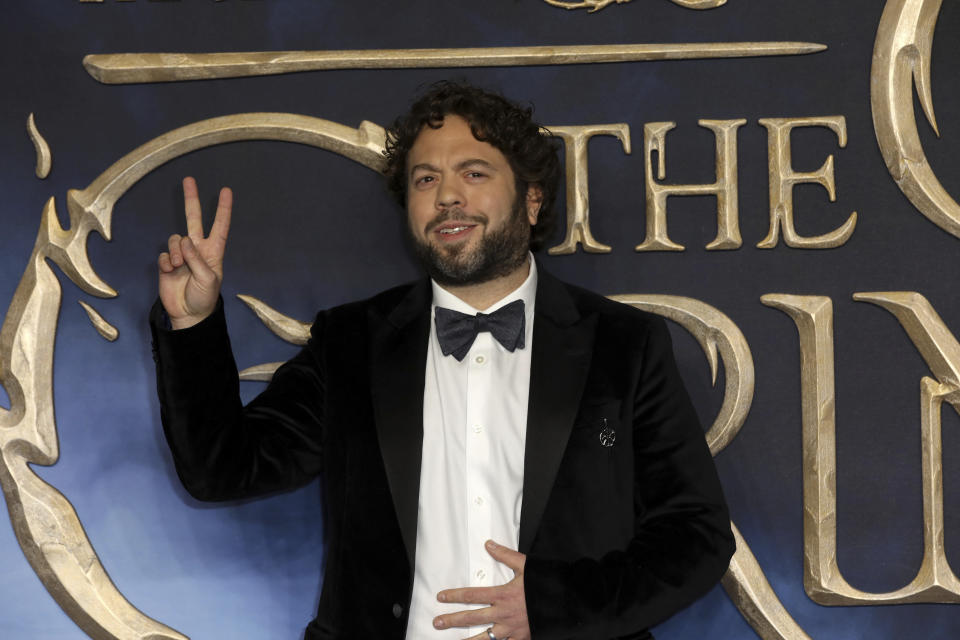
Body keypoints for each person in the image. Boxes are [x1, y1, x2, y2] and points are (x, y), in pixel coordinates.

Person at [151, 81, 734, 640]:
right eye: (425, 178)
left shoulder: (623, 344)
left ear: (531, 199)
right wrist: (191, 323)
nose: (446, 195)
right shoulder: (350, 342)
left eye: (473, 173)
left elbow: (696, 536)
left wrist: (558, 604)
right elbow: (222, 468)